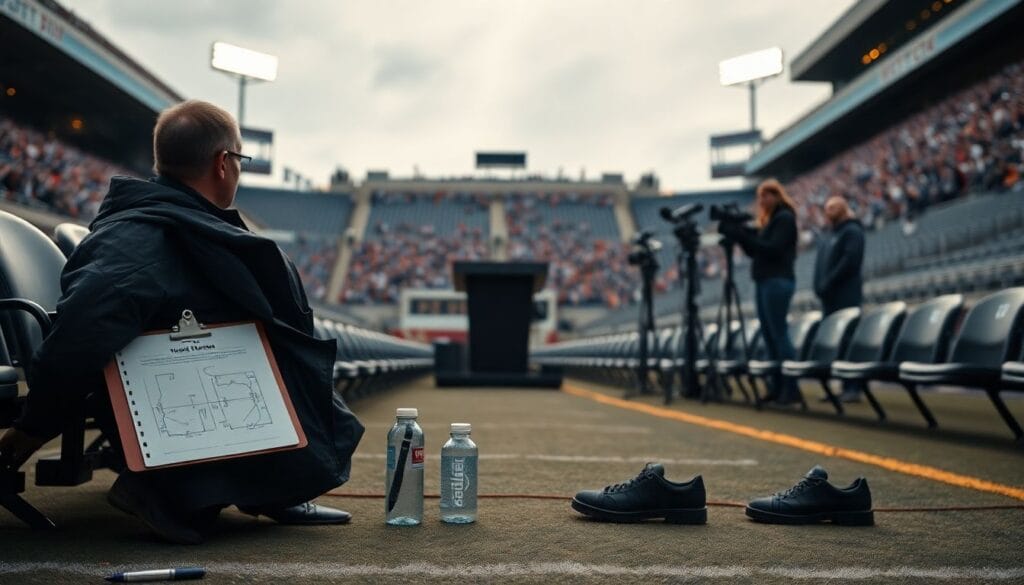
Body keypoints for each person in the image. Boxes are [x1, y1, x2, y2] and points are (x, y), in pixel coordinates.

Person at [0, 100, 364, 544]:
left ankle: (267, 487)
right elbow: (83, 331)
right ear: (223, 164)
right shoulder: (138, 239)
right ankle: (158, 488)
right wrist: (36, 422)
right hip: (166, 386)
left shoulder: (176, 223)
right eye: (240, 161)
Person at [719, 178, 800, 404]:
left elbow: (772, 249)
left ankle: (790, 387)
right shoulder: (771, 220)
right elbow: (756, 252)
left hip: (777, 280)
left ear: (777, 196)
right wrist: (742, 236)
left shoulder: (784, 218)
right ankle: (777, 386)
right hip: (766, 281)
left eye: (767, 195)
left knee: (779, 334)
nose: (762, 200)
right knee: (769, 335)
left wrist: (744, 235)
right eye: (760, 196)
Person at [813, 196, 866, 402]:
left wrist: (829, 283)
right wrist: (819, 286)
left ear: (844, 209)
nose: (829, 211)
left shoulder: (852, 231)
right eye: (827, 208)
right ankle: (844, 386)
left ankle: (854, 387)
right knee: (837, 343)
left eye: (833, 207)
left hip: (846, 296)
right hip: (830, 298)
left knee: (848, 340)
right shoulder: (830, 235)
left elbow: (850, 261)